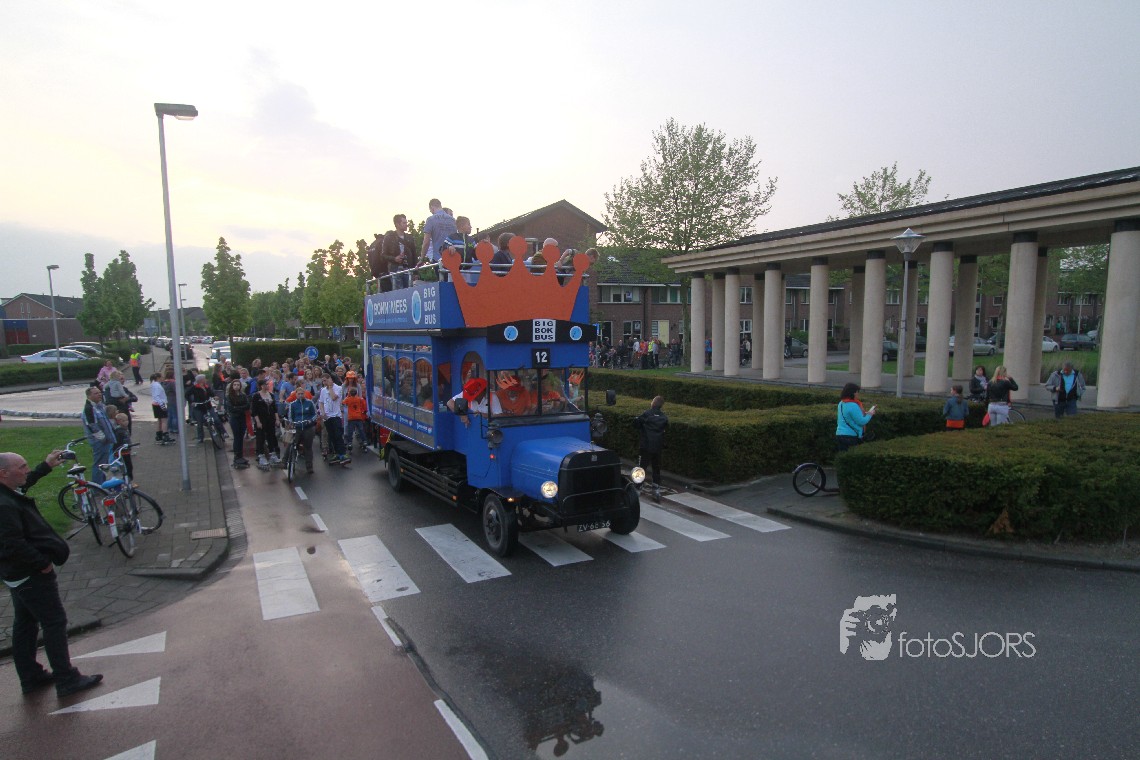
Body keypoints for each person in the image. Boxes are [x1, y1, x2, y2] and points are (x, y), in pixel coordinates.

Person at [0, 450, 103, 698]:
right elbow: (11, 543)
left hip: (16, 574)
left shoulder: (7, 492)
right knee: (54, 622)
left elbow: (26, 483)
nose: (26, 471)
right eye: (21, 467)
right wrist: (41, 563)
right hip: (29, 574)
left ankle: (31, 676)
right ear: (3, 473)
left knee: (25, 624)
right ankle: (66, 679)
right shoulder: (3, 505)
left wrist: (45, 466)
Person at [634, 396, 668, 502]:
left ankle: (638, 487)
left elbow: (636, 424)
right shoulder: (664, 417)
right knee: (656, 468)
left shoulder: (646, 414)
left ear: (652, 403)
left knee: (641, 467)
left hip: (646, 446)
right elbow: (665, 429)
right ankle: (656, 488)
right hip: (658, 447)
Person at [81, 385, 116, 485]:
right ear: (89, 396)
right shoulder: (89, 409)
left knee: (105, 463)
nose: (99, 394)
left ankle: (105, 483)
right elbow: (93, 426)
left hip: (105, 441)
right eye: (96, 393)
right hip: (99, 442)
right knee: (99, 464)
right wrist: (103, 438)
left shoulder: (99, 406)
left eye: (100, 392)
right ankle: (97, 486)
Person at [836, 383, 876, 452]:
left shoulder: (841, 403)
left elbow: (849, 416)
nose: (858, 394)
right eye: (857, 392)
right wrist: (870, 414)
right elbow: (862, 421)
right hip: (850, 436)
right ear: (853, 393)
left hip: (840, 434)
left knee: (843, 455)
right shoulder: (853, 405)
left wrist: (865, 413)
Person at [381, 214, 418, 291]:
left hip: (408, 270)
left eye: (406, 222)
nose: (406, 225)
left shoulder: (410, 238)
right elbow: (383, 255)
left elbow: (414, 255)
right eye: (404, 223)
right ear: (397, 224)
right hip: (395, 270)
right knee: (399, 293)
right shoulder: (389, 237)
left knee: (409, 292)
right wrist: (394, 259)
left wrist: (415, 272)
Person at [285, 390, 319, 474]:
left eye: (302, 394)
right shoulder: (292, 404)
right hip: (297, 427)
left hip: (308, 427)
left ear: (304, 394)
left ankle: (309, 467)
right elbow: (290, 416)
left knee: (308, 447)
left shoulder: (309, 403)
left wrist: (310, 420)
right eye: (299, 394)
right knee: (291, 443)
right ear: (296, 395)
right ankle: (284, 462)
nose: (300, 395)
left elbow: (315, 414)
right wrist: (291, 423)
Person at [251, 378, 280, 468]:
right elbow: (254, 411)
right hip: (261, 419)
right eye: (266, 384)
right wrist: (258, 421)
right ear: (261, 386)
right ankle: (261, 455)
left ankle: (272, 453)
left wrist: (277, 419)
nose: (267, 386)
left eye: (268, 384)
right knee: (261, 437)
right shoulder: (256, 396)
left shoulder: (271, 395)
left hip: (270, 419)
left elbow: (274, 408)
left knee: (271, 436)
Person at [318, 374, 348, 463]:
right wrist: (322, 413)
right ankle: (337, 453)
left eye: (325, 380)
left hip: (336, 415)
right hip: (327, 416)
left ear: (330, 379)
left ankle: (342, 453)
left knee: (338, 435)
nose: (324, 383)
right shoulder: (323, 390)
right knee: (331, 436)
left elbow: (334, 397)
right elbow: (321, 402)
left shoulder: (338, 388)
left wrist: (330, 387)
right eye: (323, 381)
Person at [420, 198, 458, 268]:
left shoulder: (430, 219)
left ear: (432, 207)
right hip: (452, 257)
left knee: (440, 274)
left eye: (430, 210)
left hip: (438, 258)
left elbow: (426, 242)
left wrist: (421, 258)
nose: (431, 212)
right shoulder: (453, 220)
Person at [224, 378, 251, 467]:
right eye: (234, 385)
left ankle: (241, 455)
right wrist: (240, 408)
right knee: (237, 437)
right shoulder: (229, 396)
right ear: (232, 386)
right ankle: (237, 456)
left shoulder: (243, 395)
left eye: (238, 385)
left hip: (242, 418)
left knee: (241, 436)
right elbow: (231, 408)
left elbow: (247, 405)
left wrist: (237, 408)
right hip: (234, 418)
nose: (236, 386)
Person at [103, 370, 136, 434]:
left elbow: (135, 398)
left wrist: (127, 399)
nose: (123, 381)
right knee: (119, 433)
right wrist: (120, 401)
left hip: (125, 413)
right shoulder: (109, 389)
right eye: (121, 379)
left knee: (128, 432)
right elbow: (109, 401)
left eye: (123, 379)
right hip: (116, 414)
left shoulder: (124, 389)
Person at [343, 384, 368, 453]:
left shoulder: (348, 399)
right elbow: (364, 404)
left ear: (349, 393)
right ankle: (364, 441)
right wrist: (362, 411)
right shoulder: (359, 399)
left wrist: (348, 395)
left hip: (351, 418)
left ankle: (350, 443)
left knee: (350, 431)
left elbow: (343, 402)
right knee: (361, 430)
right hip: (358, 417)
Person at [149, 373, 172, 445]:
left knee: (159, 420)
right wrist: (162, 405)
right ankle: (165, 435)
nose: (163, 378)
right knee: (164, 420)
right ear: (158, 378)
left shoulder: (154, 384)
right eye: (162, 377)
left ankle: (159, 435)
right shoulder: (157, 385)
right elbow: (157, 396)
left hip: (155, 404)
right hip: (159, 404)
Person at [111, 412, 134, 481]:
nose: (126, 422)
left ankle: (129, 480)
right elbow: (117, 442)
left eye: (127, 420)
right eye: (123, 421)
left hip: (127, 451)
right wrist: (117, 450)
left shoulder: (125, 429)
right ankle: (127, 480)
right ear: (118, 422)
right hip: (122, 452)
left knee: (129, 466)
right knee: (126, 467)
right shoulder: (119, 431)